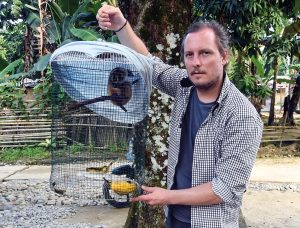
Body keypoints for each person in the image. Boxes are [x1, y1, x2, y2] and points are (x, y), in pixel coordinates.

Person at [97, 5, 263, 228]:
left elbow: (225, 188)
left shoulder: (242, 116)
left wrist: (167, 197)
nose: (196, 62)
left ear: (223, 56)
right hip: (174, 219)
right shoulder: (184, 86)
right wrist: (121, 26)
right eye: (189, 54)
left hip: (210, 223)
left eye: (205, 53)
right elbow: (150, 65)